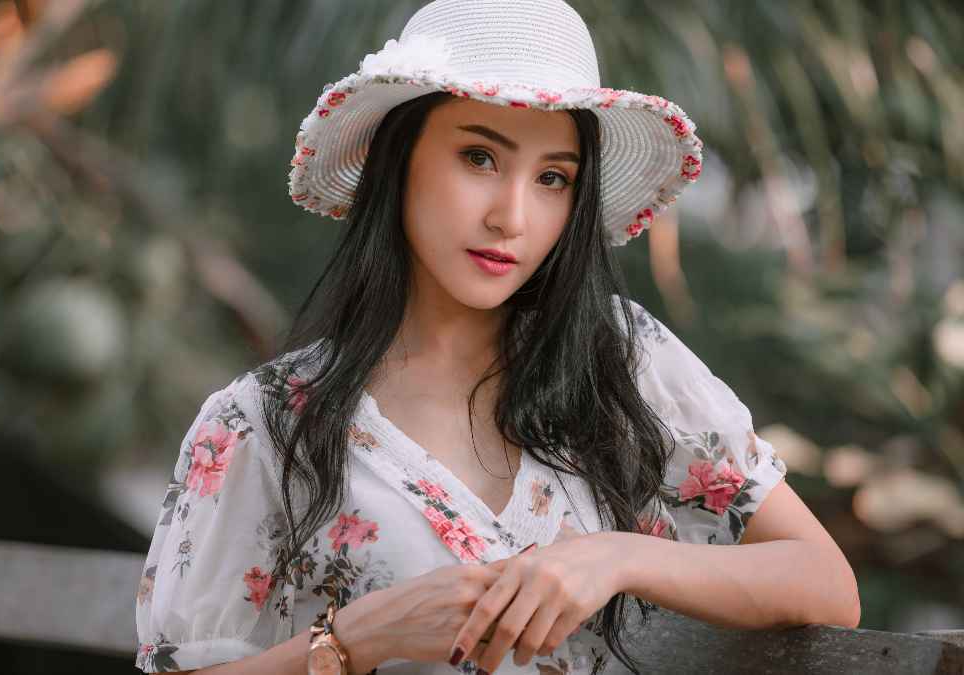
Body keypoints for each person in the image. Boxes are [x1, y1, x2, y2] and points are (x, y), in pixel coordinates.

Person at [134, 1, 860, 673]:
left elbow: (826, 584)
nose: (512, 217)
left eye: (553, 178)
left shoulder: (619, 359)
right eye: (479, 158)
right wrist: (356, 639)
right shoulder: (266, 422)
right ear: (398, 158)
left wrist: (615, 558)